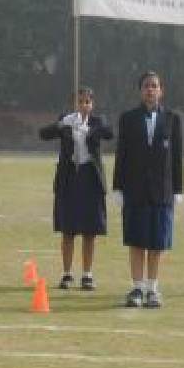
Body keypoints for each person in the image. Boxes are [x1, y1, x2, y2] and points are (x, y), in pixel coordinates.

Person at [113, 71, 183, 309]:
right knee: (136, 241)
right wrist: (117, 187)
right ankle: (137, 287)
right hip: (135, 190)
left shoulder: (173, 119)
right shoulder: (128, 118)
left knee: (156, 242)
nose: (150, 90)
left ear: (161, 90)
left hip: (162, 190)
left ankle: (152, 288)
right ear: (140, 90)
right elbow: (121, 154)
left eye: (154, 86)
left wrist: (178, 190)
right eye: (146, 86)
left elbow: (177, 159)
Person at [39, 87, 113, 291]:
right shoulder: (66, 121)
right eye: (80, 102)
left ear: (92, 104)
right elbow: (43, 134)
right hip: (69, 178)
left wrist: (90, 130)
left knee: (90, 231)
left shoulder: (98, 122)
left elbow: (109, 133)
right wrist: (62, 123)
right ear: (74, 104)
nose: (83, 105)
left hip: (90, 178)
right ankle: (67, 273)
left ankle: (87, 274)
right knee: (68, 230)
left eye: (87, 102)